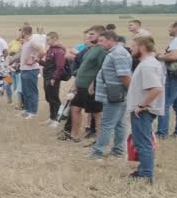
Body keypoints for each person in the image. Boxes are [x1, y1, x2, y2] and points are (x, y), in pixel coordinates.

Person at [88, 30, 132, 160]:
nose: (100, 44)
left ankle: (97, 153)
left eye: (102, 41)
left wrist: (130, 92)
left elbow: (124, 76)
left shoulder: (118, 54)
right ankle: (118, 150)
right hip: (116, 94)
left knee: (106, 124)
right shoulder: (115, 53)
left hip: (114, 95)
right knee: (119, 123)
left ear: (111, 40)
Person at [127, 36, 166, 182]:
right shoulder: (149, 63)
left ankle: (146, 176)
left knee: (143, 144)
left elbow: (156, 89)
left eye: (133, 46)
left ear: (142, 47)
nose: (131, 49)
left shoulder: (147, 65)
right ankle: (142, 170)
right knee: (141, 142)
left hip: (143, 112)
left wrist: (142, 106)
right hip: (143, 110)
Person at [66, 26, 107, 143]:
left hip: (90, 87)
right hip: (80, 86)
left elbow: (102, 69)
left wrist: (94, 83)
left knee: (97, 113)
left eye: (92, 34)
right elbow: (82, 68)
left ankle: (100, 140)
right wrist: (75, 84)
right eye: (88, 34)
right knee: (75, 108)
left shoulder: (101, 50)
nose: (88, 36)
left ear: (100, 35)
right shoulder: (90, 49)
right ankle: (74, 135)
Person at [18, 26, 45, 119]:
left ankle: (33, 112)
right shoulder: (26, 42)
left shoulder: (32, 41)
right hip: (24, 69)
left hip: (31, 70)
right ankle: (27, 110)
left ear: (24, 32)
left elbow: (42, 51)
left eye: (20, 31)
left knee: (31, 91)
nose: (19, 34)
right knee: (25, 91)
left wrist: (35, 60)